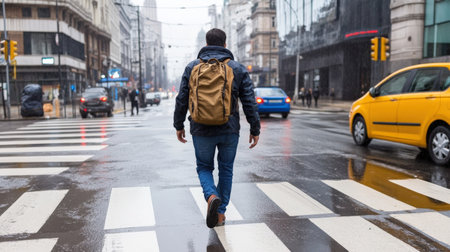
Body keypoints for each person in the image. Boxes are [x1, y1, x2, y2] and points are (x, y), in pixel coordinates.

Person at [173, 28, 260, 228]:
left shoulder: (192, 67)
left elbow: (181, 99)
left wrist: (179, 125)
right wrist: (255, 129)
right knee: (226, 170)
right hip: (229, 128)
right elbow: (249, 101)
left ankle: (211, 195)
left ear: (206, 43)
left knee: (204, 167)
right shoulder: (237, 68)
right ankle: (220, 214)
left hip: (200, 128)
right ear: (225, 44)